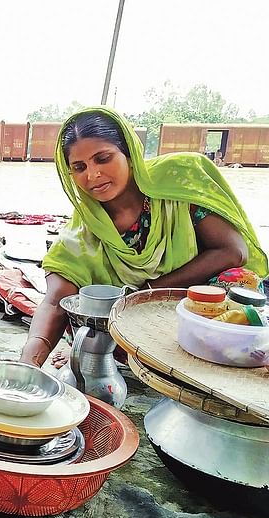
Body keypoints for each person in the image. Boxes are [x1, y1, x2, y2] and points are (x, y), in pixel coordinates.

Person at [20, 107, 267, 368]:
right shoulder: (86, 228)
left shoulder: (177, 182)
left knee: (240, 282)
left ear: (128, 151)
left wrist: (149, 291)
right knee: (84, 315)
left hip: (194, 306)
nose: (92, 176)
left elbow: (233, 251)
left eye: (103, 158)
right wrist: (28, 363)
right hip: (135, 315)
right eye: (79, 167)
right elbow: (56, 301)